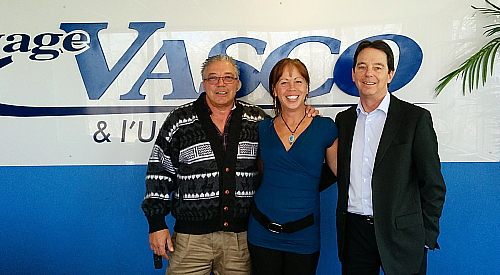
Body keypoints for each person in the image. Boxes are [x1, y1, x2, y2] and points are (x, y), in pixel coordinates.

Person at [141, 54, 317, 275]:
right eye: (213, 78)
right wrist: (156, 223)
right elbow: (159, 172)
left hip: (240, 240)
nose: (221, 84)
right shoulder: (179, 121)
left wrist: (306, 114)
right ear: (203, 84)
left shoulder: (258, 121)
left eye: (228, 77)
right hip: (190, 241)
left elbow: (282, 160)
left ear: (238, 83)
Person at [334, 40, 446, 275]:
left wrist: (426, 235)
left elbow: (433, 184)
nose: (369, 74)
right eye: (362, 67)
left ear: (390, 74)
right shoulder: (343, 121)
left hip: (402, 235)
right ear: (353, 74)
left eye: (378, 67)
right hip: (355, 233)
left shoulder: (415, 118)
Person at [247, 58, 338, 275]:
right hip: (261, 231)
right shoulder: (263, 128)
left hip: (303, 234)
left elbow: (339, 173)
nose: (292, 88)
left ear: (307, 88)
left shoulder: (325, 127)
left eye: (298, 81)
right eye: (284, 82)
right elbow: (263, 172)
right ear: (274, 89)